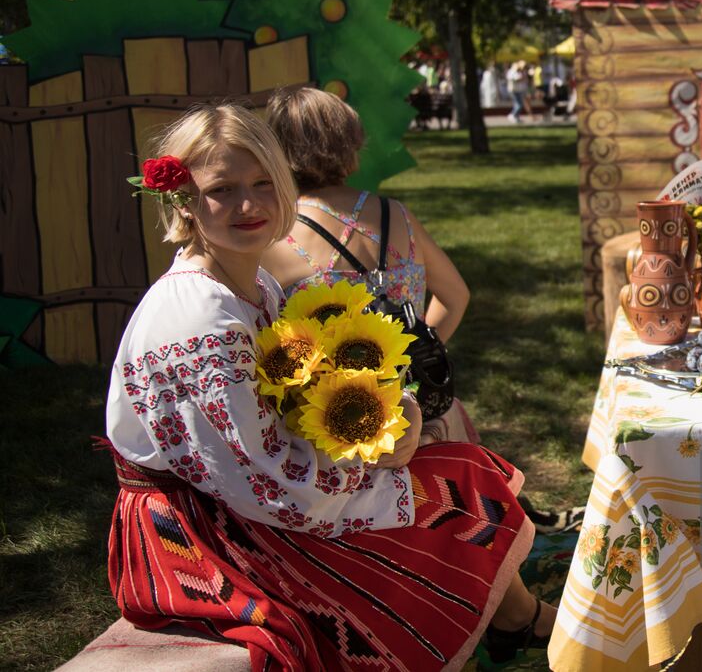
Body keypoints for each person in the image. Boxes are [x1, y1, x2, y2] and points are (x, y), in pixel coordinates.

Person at [104, 104, 554, 671]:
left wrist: (392, 424)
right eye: (222, 189)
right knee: (452, 489)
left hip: (244, 500)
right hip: (198, 535)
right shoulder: (196, 319)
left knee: (457, 471)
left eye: (264, 182)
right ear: (183, 201)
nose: (249, 205)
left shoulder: (253, 284)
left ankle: (512, 618)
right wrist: (376, 473)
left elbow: (287, 415)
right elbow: (262, 482)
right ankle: (513, 620)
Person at [261, 87, 476, 442]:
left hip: (333, 426)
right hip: (419, 412)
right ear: (350, 143)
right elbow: (456, 296)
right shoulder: (396, 215)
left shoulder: (279, 233)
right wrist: (408, 361)